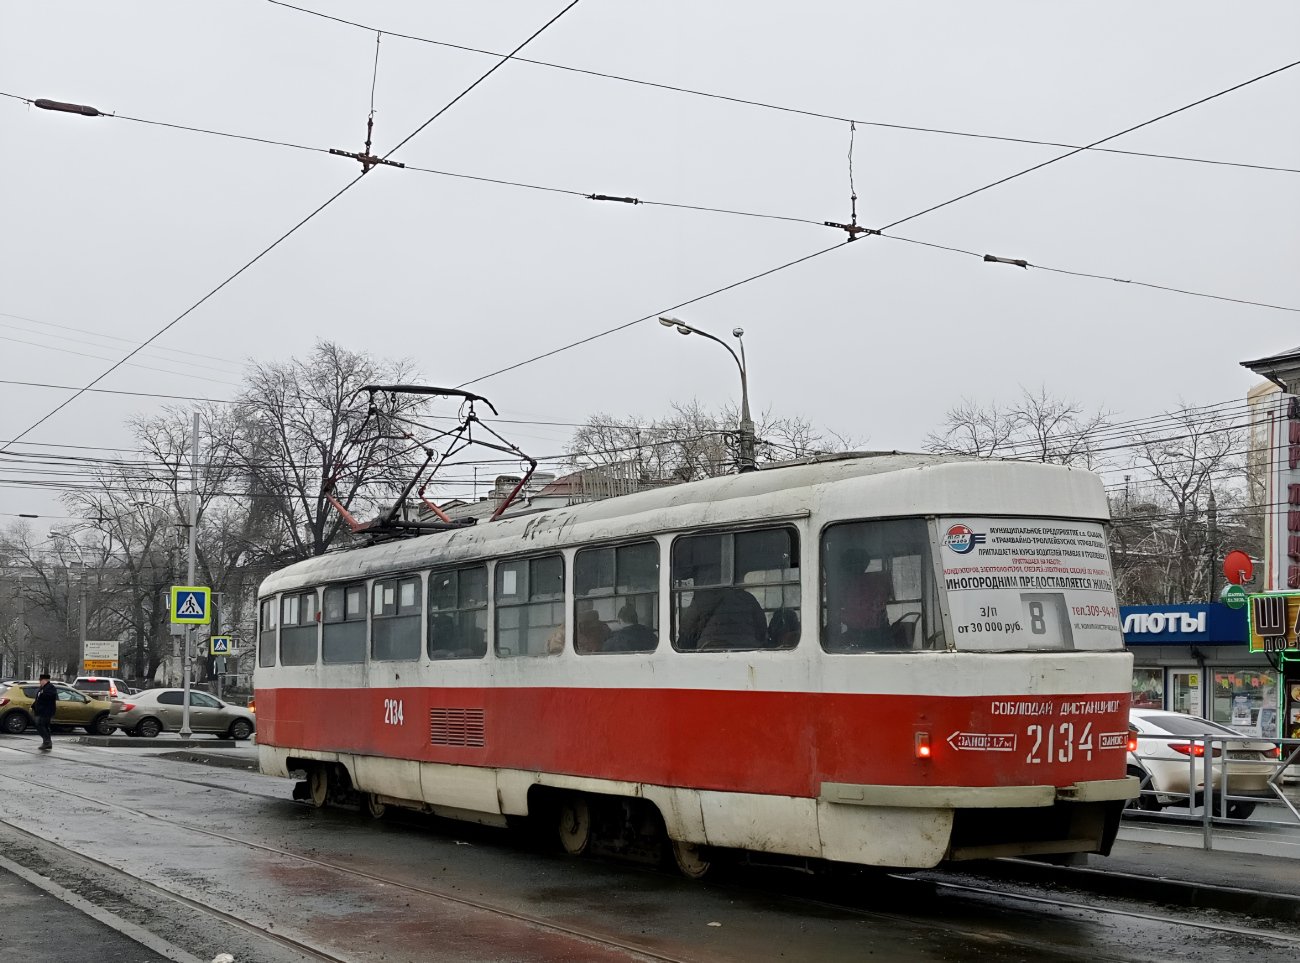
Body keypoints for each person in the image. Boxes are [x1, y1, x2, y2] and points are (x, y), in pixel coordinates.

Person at [32, 672, 57, 751]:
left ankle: (47, 741)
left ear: (45, 680)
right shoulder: (42, 688)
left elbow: (50, 697)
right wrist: (33, 705)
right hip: (40, 710)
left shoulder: (50, 687)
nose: (40, 682)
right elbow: (38, 699)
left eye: (41, 680)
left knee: (40, 724)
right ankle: (47, 742)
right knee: (42, 725)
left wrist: (42, 695)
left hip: (46, 711)